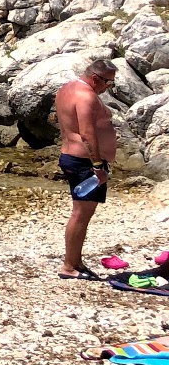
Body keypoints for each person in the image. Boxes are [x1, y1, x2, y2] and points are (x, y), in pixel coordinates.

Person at [55, 59, 119, 279]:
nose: (108, 88)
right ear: (95, 78)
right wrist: (98, 165)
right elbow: (87, 133)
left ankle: (76, 261)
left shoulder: (67, 88)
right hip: (84, 163)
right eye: (108, 83)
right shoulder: (86, 96)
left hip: (75, 158)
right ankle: (69, 266)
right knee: (81, 214)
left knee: (82, 213)